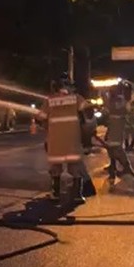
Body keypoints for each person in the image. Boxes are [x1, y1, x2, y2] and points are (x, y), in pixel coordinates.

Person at [45, 77, 93, 205]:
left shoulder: (50, 101)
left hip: (55, 141)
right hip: (72, 140)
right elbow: (89, 111)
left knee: (55, 167)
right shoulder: (76, 98)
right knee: (76, 167)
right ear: (70, 87)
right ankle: (78, 195)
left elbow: (40, 117)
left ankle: (55, 194)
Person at [104, 85, 132, 180]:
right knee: (109, 145)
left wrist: (104, 96)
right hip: (113, 125)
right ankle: (113, 165)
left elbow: (112, 108)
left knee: (116, 146)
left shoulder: (119, 101)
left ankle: (126, 166)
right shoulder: (117, 100)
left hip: (117, 126)